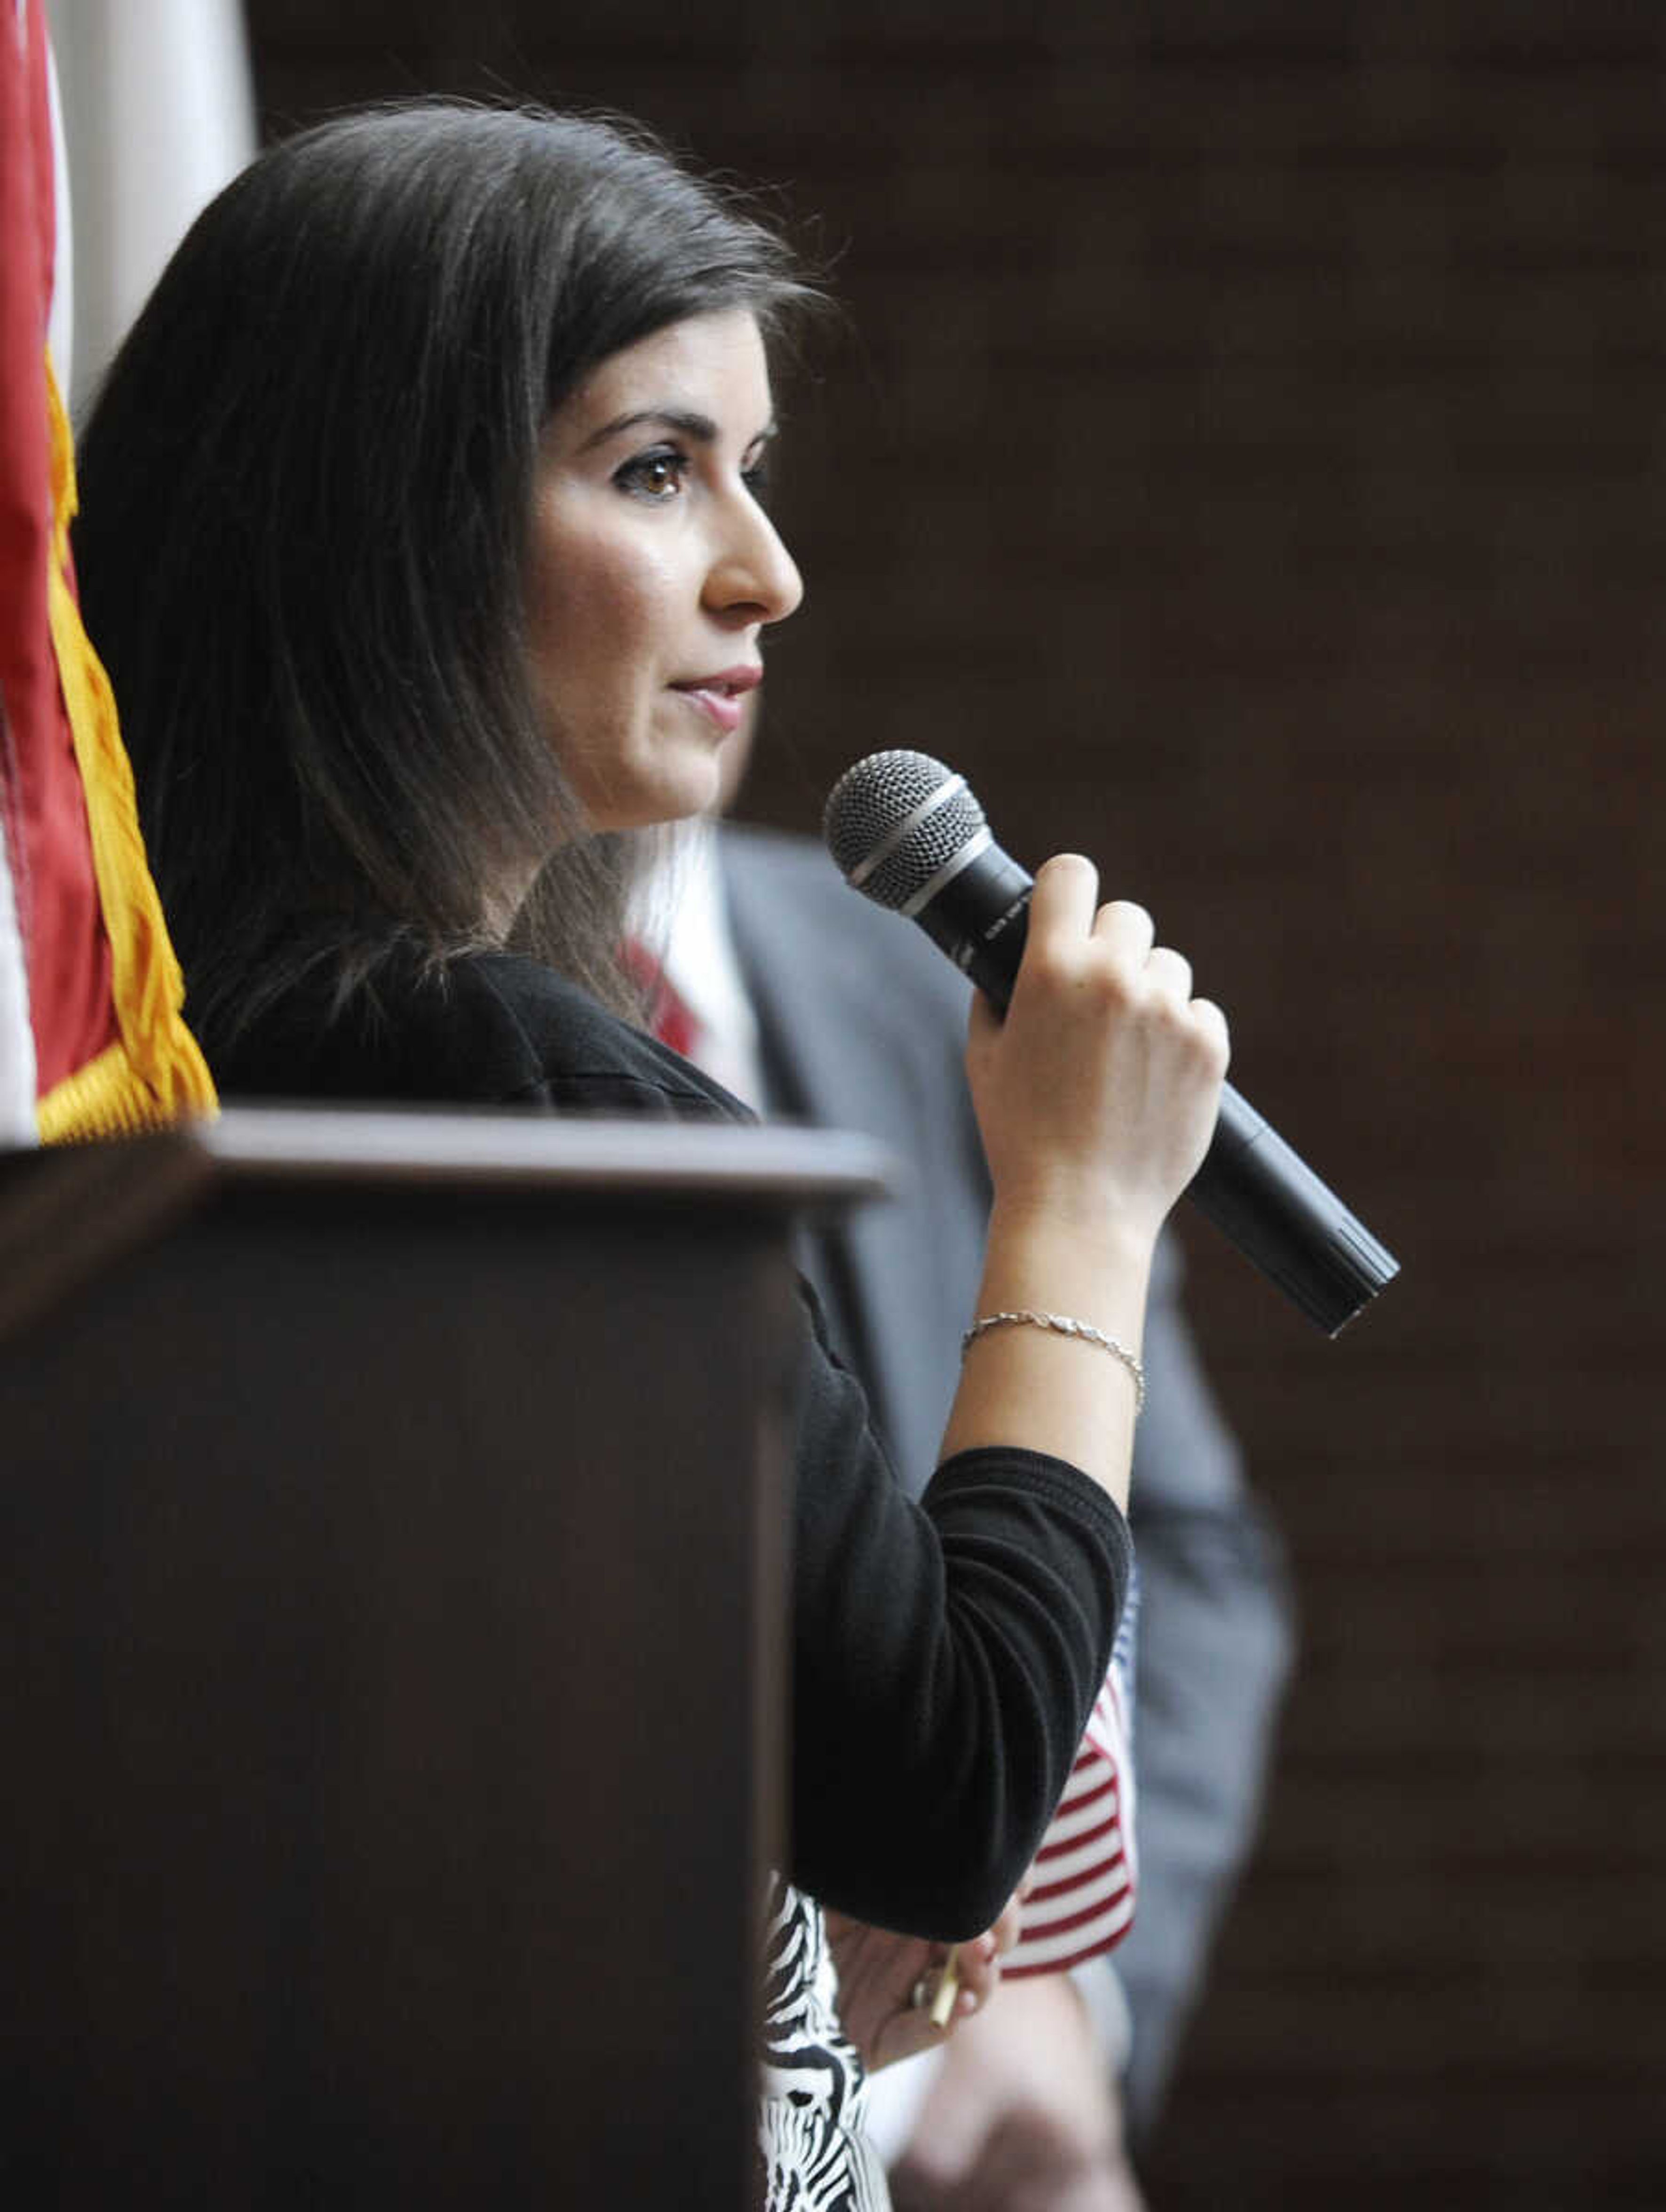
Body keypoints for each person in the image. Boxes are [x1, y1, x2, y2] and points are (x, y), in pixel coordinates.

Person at [71, 102, 1232, 2210]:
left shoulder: (223, 1050)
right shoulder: (503, 1091)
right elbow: (953, 1780)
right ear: (386, 523)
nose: (764, 571)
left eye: (751, 470)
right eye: (651, 468)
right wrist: (1080, 1193)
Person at [645, 788, 1293, 2206]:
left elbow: (1180, 1554)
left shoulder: (939, 986)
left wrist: (1070, 1994)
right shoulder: (315, 1026)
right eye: (665, 538)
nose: (765, 573)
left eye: (775, 538)